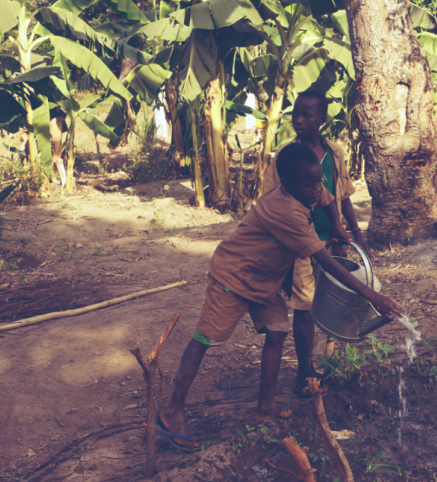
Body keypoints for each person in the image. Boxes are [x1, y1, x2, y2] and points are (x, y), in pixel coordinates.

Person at [158, 143, 403, 450]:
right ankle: (172, 412)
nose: (316, 189)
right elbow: (325, 262)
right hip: (234, 276)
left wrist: (338, 226)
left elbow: (329, 199)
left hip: (266, 279)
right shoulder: (286, 211)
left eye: (318, 181)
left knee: (276, 333)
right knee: (206, 338)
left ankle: (265, 407)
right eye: (309, 184)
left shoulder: (307, 190)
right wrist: (373, 297)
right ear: (285, 183)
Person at [262, 90, 369, 395]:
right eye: (295, 114)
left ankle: (330, 361)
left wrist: (354, 230)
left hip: (331, 239)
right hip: (300, 244)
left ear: (321, 119)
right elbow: (271, 198)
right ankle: (304, 370)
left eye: (306, 115)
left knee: (331, 300)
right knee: (304, 306)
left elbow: (341, 195)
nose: (298, 120)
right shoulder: (287, 157)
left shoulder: (334, 153)